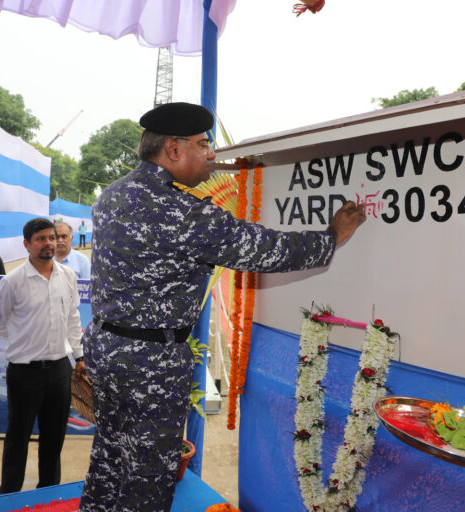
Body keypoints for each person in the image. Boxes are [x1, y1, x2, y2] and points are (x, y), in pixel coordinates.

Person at [79, 102, 367, 512]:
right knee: (148, 477)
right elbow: (266, 249)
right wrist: (331, 237)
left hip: (107, 349)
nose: (211, 154)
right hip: (149, 363)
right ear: (173, 149)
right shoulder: (180, 212)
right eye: (203, 144)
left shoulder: (113, 194)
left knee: (110, 457)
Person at [0, 218, 85, 494]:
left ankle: (49, 494)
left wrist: (79, 357)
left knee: (53, 439)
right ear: (27, 244)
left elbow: (73, 319)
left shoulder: (68, 276)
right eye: (40, 239)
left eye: (52, 238)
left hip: (60, 371)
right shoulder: (13, 282)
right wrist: (24, 339)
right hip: (24, 372)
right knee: (17, 438)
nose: (49, 243)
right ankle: (9, 496)